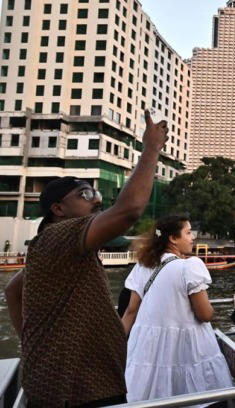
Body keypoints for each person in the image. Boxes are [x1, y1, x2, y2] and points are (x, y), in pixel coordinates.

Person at [3, 111, 168, 407]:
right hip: (78, 391)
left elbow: (13, 290)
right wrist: (151, 148)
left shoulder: (55, 248)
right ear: (59, 209)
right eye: (85, 193)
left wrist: (34, 345)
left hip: (83, 381)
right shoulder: (60, 235)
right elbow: (128, 211)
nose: (97, 199)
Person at [120, 214, 232, 401]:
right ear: (173, 238)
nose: (193, 237)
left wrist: (116, 346)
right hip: (187, 347)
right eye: (188, 232)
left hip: (148, 349)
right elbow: (204, 314)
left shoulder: (143, 265)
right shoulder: (189, 267)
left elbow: (131, 310)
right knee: (195, 396)